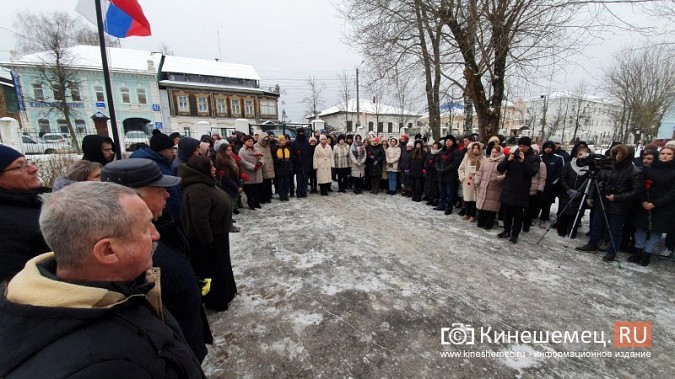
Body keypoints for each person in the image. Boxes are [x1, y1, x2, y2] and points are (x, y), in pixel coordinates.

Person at [0, 182, 205, 378]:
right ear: (107, 251)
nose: (155, 234)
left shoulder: (120, 287)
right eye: (145, 227)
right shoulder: (100, 366)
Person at [101, 158, 210, 362]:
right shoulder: (126, 249)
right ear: (135, 198)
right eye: (159, 190)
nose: (167, 195)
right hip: (171, 350)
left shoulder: (161, 223)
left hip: (186, 336)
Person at [179, 155, 237, 311]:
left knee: (221, 266)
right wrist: (209, 242)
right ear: (202, 169)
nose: (214, 168)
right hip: (208, 239)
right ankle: (217, 300)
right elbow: (200, 220)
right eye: (211, 166)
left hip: (217, 235)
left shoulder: (205, 183)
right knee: (212, 270)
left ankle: (226, 293)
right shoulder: (198, 189)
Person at [576, 144, 643, 262]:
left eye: (619, 154)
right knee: (596, 225)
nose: (616, 156)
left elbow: (637, 192)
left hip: (618, 206)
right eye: (615, 153)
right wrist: (591, 196)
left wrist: (617, 197)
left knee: (615, 230)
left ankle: (612, 251)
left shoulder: (634, 171)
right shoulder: (607, 166)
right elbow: (596, 181)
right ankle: (592, 243)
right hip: (601, 201)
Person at [0, 145, 51, 283]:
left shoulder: (32, 201)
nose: (33, 169)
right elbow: (11, 278)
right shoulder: (5, 222)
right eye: (19, 167)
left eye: (27, 162)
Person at [628, 145, 675, 266]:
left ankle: (647, 253)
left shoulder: (673, 171)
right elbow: (640, 186)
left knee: (656, 231)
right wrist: (644, 201)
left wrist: (655, 203)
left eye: (669, 154)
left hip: (662, 206)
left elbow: (672, 192)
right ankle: (638, 250)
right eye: (663, 153)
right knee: (641, 228)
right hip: (645, 203)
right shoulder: (648, 169)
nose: (665, 156)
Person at [496, 136, 541, 243]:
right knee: (507, 212)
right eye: (519, 146)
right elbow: (500, 168)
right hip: (509, 188)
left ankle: (515, 234)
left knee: (518, 214)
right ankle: (506, 230)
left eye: (523, 146)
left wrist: (523, 161)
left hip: (522, 190)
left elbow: (532, 172)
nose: (521, 148)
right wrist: (508, 159)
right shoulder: (512, 154)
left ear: (528, 146)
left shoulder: (534, 158)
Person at [131, 132, 182, 222]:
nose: (173, 152)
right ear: (160, 149)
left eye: (173, 148)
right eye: (169, 149)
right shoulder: (151, 165)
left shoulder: (164, 161)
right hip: (163, 214)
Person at [557, 146, 591, 238]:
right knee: (564, 212)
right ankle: (561, 230)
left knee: (576, 213)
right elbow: (563, 178)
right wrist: (568, 189)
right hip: (566, 193)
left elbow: (588, 181)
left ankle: (572, 231)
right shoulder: (569, 164)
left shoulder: (589, 167)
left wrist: (580, 191)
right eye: (580, 153)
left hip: (579, 195)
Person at [475, 145, 505, 230]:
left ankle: (489, 223)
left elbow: (506, 174)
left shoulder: (503, 162)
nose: (494, 154)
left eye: (496, 152)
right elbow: (480, 172)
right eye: (493, 152)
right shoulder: (487, 160)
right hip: (484, 186)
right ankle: (481, 221)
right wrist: (477, 181)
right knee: (483, 205)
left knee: (492, 206)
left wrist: (498, 179)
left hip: (495, 187)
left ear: (500, 153)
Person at [537, 141, 564, 228]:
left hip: (550, 185)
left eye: (550, 147)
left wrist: (553, 181)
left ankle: (543, 219)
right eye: (546, 147)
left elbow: (560, 172)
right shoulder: (539, 157)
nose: (548, 149)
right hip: (539, 183)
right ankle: (534, 216)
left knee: (547, 203)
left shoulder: (558, 158)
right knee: (537, 201)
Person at [434, 135, 463, 215]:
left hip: (450, 175)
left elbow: (454, 164)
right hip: (441, 175)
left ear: (453, 142)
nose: (447, 142)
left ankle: (449, 207)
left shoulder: (456, 152)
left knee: (450, 193)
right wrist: (438, 169)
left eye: (450, 140)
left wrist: (443, 170)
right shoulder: (442, 151)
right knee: (442, 192)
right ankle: (442, 205)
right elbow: (436, 161)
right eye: (446, 140)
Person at [458, 142, 485, 222]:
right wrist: (463, 178)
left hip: (477, 181)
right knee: (467, 198)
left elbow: (484, 170)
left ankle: (473, 215)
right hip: (468, 181)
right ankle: (467, 213)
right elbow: (461, 168)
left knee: (475, 199)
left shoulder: (483, 158)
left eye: (477, 148)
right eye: (474, 148)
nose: (475, 150)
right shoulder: (467, 157)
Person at [239, 135, 264, 209]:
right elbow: (242, 161)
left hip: (257, 173)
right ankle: (251, 203)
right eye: (248, 141)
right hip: (249, 172)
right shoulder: (242, 150)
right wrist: (253, 167)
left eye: (251, 141)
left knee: (257, 190)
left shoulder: (256, 148)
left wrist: (260, 163)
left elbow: (262, 157)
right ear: (245, 142)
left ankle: (257, 202)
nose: (250, 142)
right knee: (249, 190)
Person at [291, 128, 312, 198]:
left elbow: (309, 153)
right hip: (298, 164)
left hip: (306, 164)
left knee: (305, 180)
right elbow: (292, 153)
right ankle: (299, 193)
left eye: (302, 133)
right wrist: (296, 159)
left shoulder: (306, 142)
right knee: (299, 180)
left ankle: (304, 192)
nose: (301, 134)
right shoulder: (294, 143)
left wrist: (308, 162)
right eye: (299, 133)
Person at [255, 134, 275, 203]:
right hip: (262, 167)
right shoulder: (256, 146)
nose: (266, 141)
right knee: (262, 184)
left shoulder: (268, 146)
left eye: (267, 140)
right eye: (264, 140)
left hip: (269, 167)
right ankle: (262, 198)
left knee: (268, 183)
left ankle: (268, 197)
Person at [274, 135, 293, 201]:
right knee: (281, 183)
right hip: (279, 169)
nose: (283, 142)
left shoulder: (287, 149)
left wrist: (290, 167)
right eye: (282, 140)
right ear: (279, 141)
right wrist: (278, 161)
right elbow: (274, 159)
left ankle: (286, 195)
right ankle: (281, 195)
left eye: (284, 140)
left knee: (286, 183)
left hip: (286, 169)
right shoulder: (275, 149)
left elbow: (290, 159)